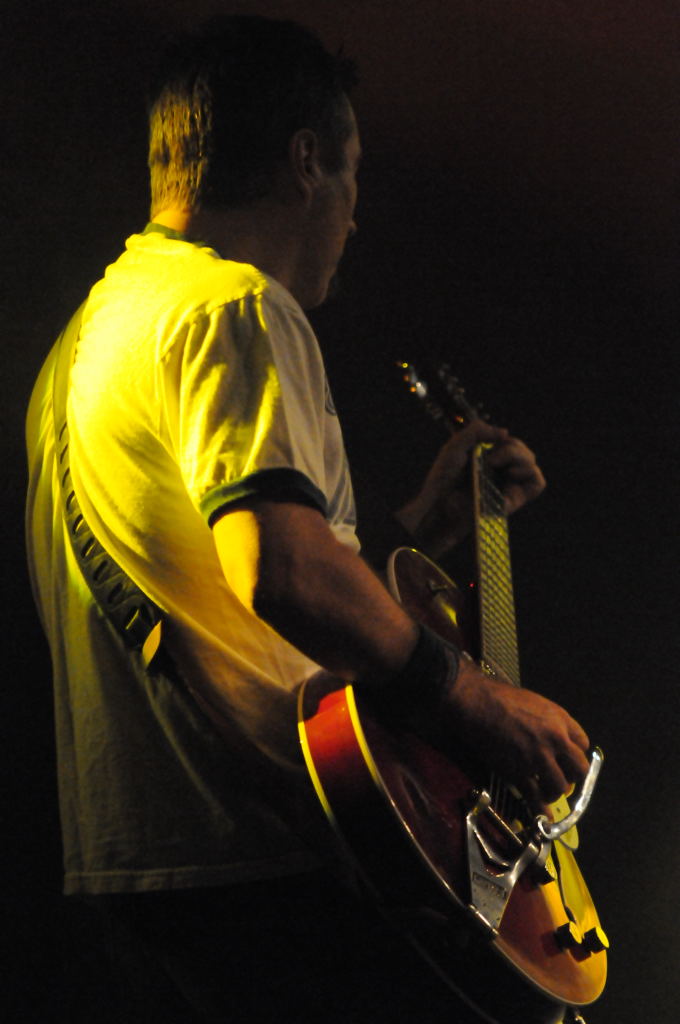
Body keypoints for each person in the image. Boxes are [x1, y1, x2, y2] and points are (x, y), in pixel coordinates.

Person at [25, 15, 590, 1023]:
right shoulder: (235, 305)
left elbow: (211, 589)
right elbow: (280, 571)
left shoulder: (85, 344)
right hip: (270, 866)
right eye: (353, 174)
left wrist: (416, 530)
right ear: (305, 162)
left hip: (139, 882)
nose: (355, 216)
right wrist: (474, 699)